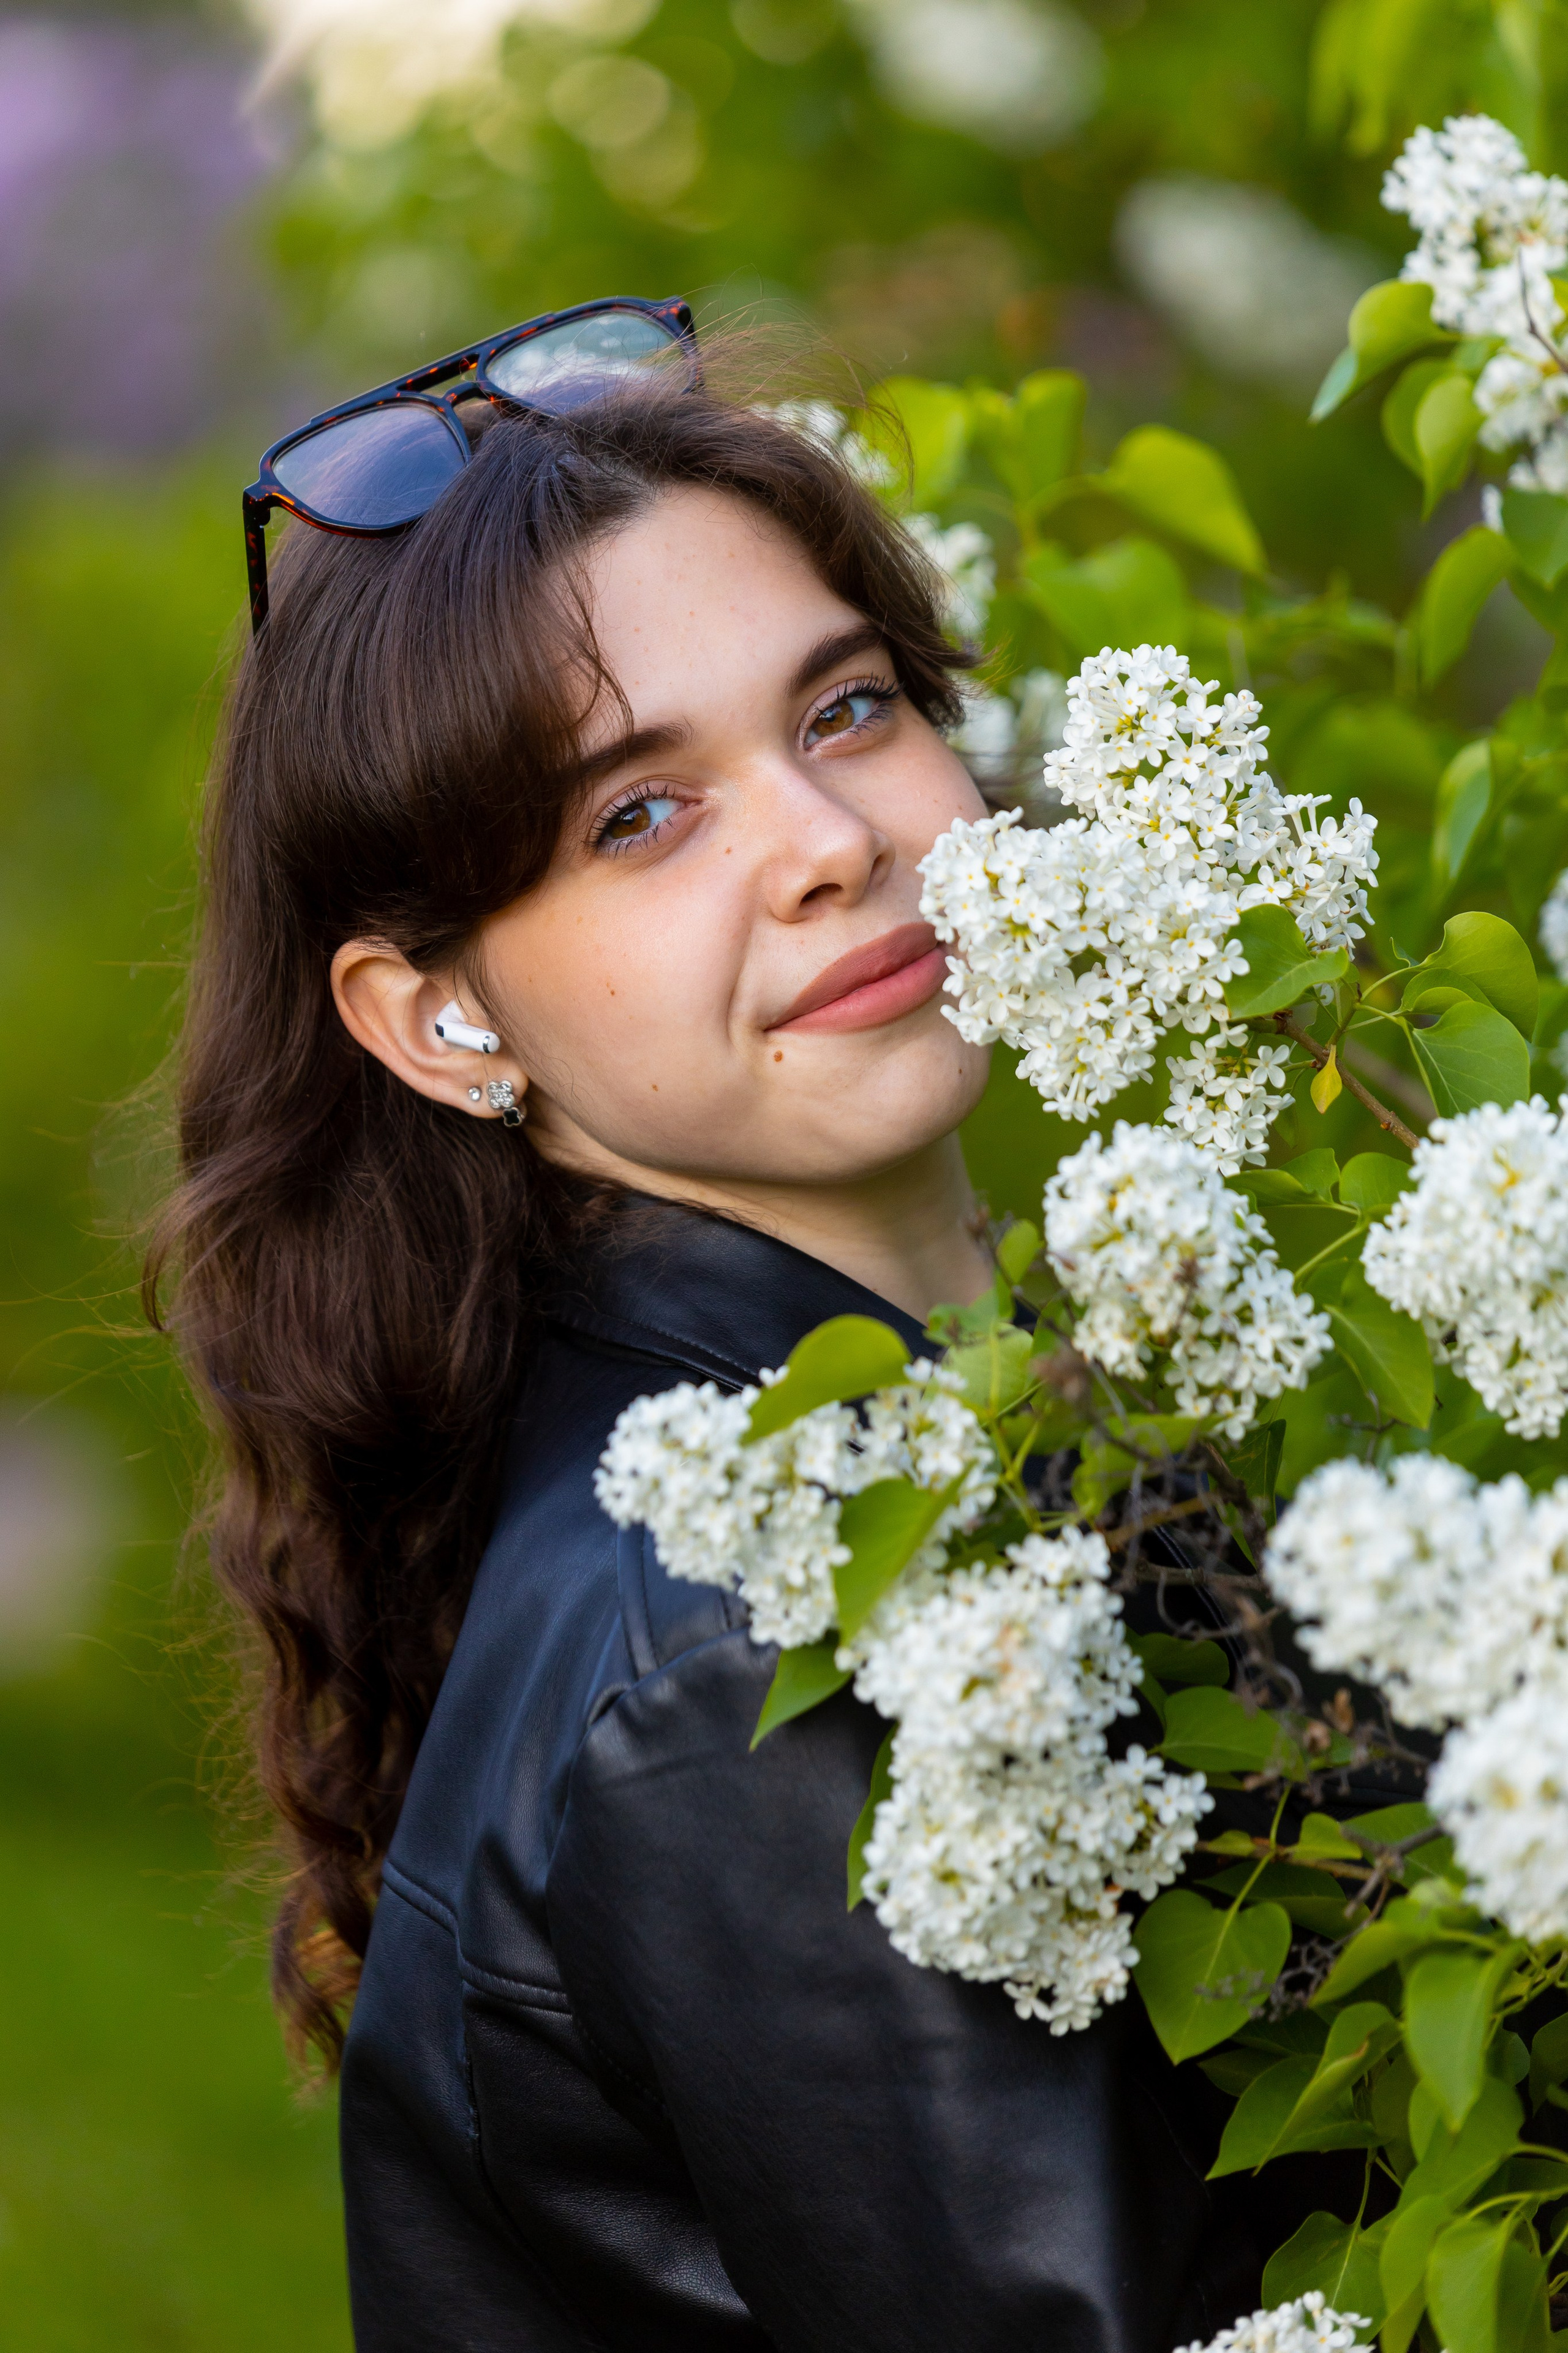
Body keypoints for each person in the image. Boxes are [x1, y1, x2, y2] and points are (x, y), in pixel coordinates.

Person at [149, 313, 1277, 2352]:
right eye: (638, 820)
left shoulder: (1014, 1405)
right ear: (436, 1019)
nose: (830, 841)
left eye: (846, 708)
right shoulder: (746, 1627)